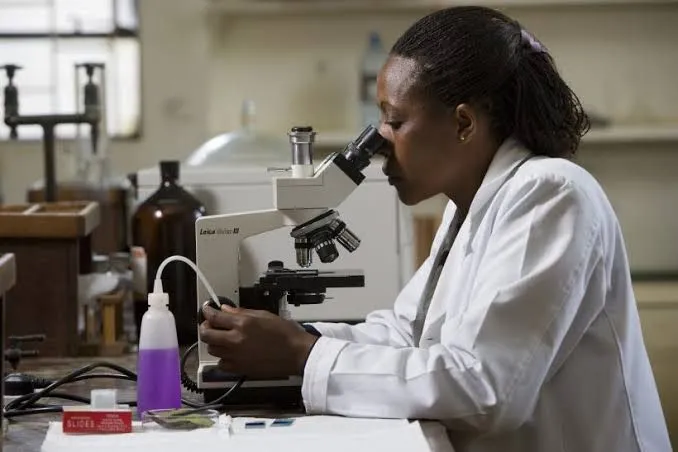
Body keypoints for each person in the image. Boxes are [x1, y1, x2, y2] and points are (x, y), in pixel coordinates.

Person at [199, 6, 671, 451]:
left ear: (463, 123)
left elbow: (486, 389)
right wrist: (291, 337)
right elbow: (410, 333)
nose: (379, 142)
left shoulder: (551, 193)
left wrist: (303, 355)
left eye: (394, 120)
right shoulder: (471, 204)